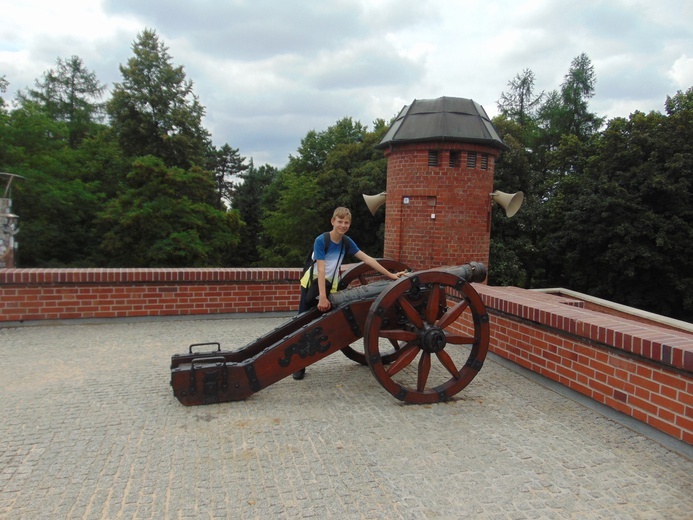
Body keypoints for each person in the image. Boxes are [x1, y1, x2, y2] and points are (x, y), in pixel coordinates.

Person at [293, 206, 403, 380]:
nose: (343, 225)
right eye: (340, 221)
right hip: (312, 285)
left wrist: (391, 275)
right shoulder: (322, 240)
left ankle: (309, 354)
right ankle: (298, 365)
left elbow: (367, 259)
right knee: (302, 323)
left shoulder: (346, 242)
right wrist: (322, 296)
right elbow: (321, 270)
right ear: (333, 221)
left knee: (321, 323)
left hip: (330, 285)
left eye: (346, 222)